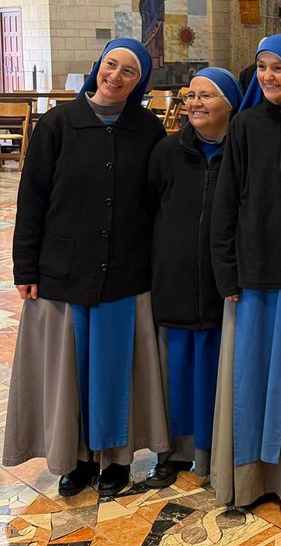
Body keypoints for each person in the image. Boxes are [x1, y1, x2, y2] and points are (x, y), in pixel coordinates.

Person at [3, 39, 167, 497]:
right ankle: (75, 460)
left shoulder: (148, 129)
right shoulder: (59, 123)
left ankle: (115, 459)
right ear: (98, 67)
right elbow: (33, 198)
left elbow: (157, 201)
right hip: (64, 271)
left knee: (114, 372)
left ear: (139, 83)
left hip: (125, 270)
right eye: (111, 65)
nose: (115, 76)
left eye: (129, 71)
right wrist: (25, 267)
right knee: (69, 372)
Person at [208, 36, 281, 507]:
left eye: (279, 68)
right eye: (262, 67)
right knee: (249, 381)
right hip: (251, 275)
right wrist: (226, 271)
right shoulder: (244, 125)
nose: (269, 77)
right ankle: (250, 482)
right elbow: (226, 203)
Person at [146, 66, 243, 488]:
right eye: (191, 96)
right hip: (174, 278)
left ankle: (212, 452)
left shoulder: (240, 151)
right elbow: (149, 210)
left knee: (213, 370)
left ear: (231, 104)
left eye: (207, 96)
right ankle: (171, 453)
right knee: (176, 371)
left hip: (221, 282)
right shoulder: (167, 152)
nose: (195, 103)